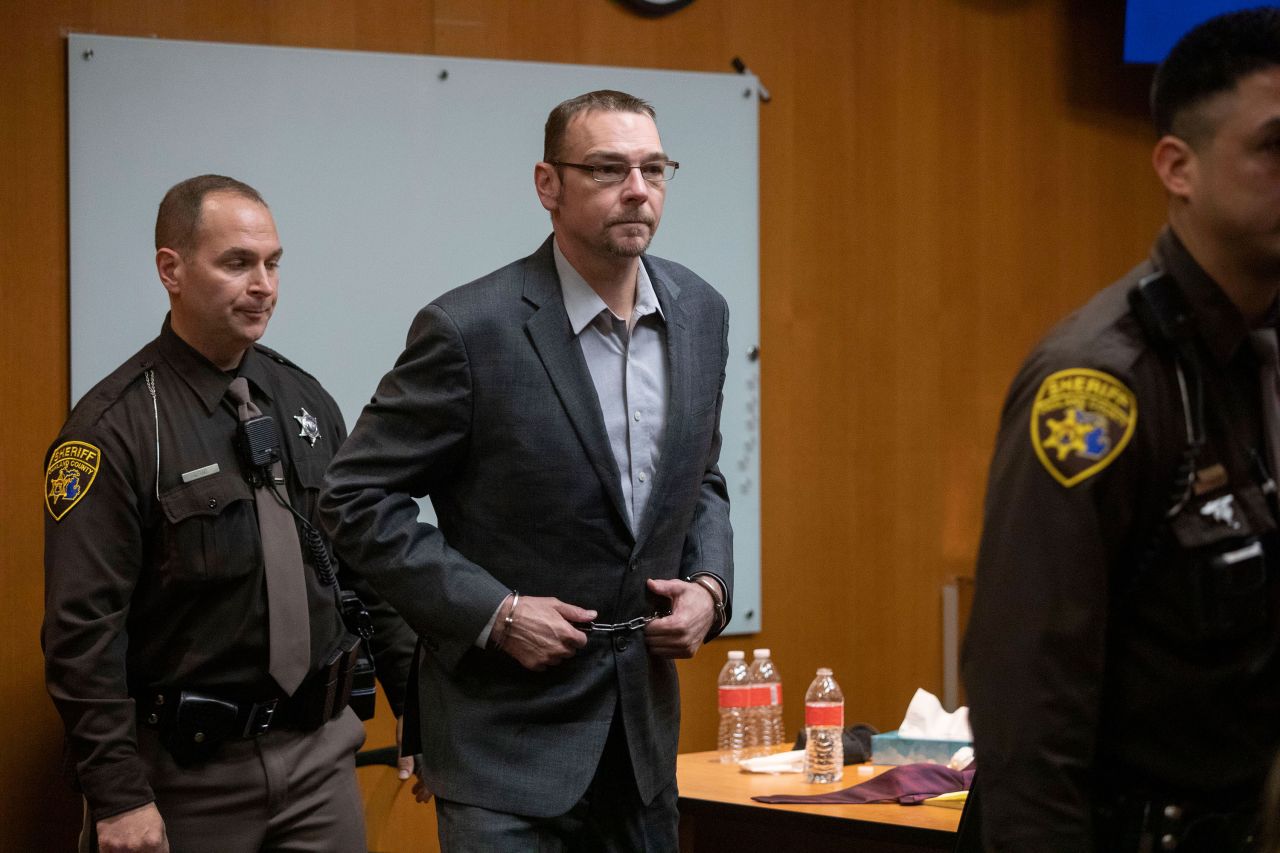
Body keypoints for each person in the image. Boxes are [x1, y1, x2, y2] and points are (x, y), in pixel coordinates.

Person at [320, 89, 734, 851]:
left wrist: (710, 586)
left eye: (654, 168)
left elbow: (700, 476)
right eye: (609, 169)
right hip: (502, 750)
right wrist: (496, 610)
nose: (637, 189)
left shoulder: (700, 311)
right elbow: (352, 498)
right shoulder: (470, 330)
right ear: (549, 184)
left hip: (641, 744)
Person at [962, 9, 1280, 852]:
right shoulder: (1101, 385)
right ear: (1179, 167)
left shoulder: (1261, 354)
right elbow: (1027, 704)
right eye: (1274, 146)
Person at [42, 175, 419, 853]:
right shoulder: (114, 428)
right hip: (187, 774)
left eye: (273, 263)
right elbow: (82, 633)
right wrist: (119, 793)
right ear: (172, 270)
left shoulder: (305, 401)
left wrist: (418, 708)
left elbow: (362, 570)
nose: (264, 285)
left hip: (319, 758)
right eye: (238, 262)